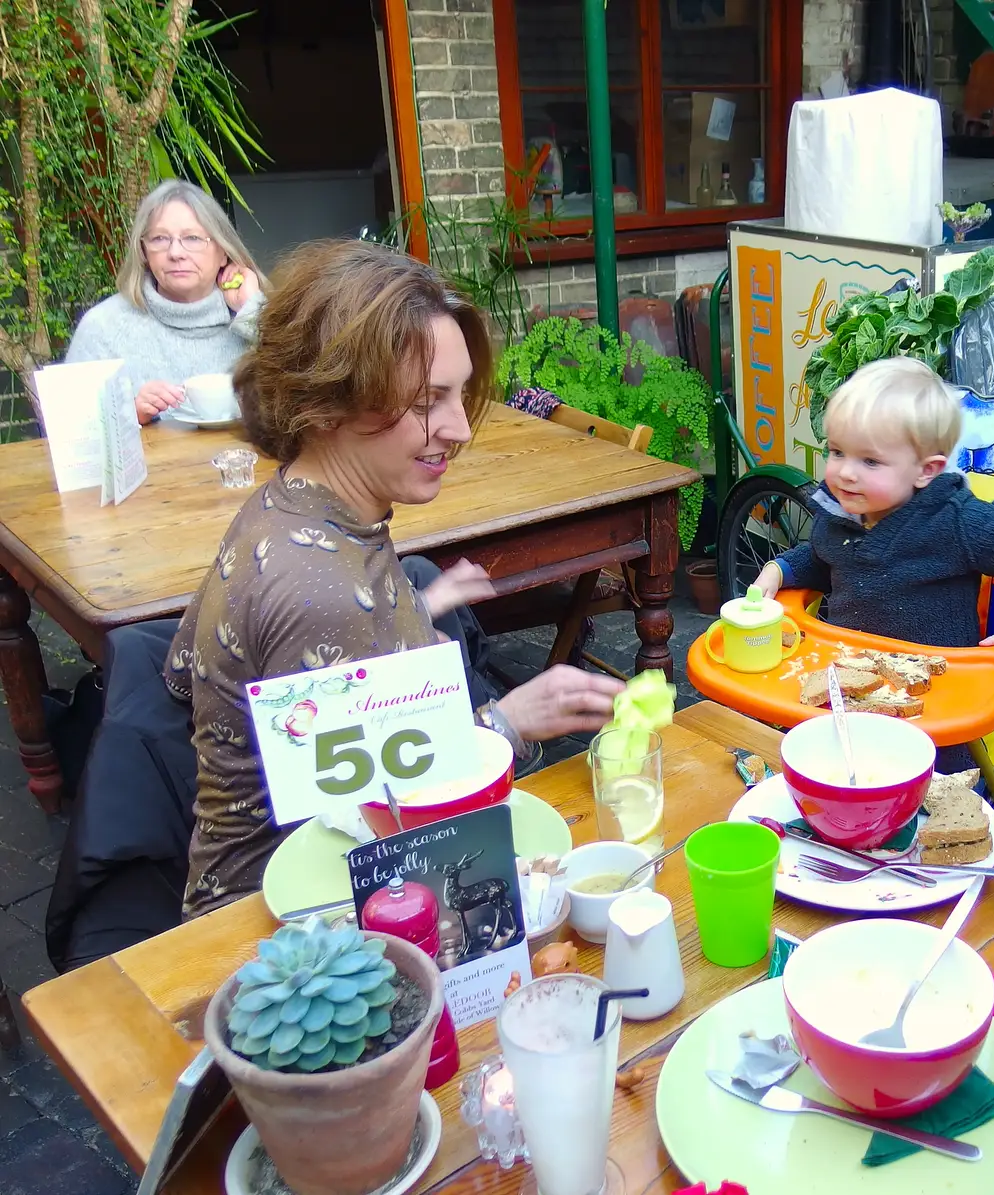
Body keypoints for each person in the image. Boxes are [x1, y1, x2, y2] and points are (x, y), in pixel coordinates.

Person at [164, 239, 622, 918]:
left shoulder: (288, 508)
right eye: (427, 401)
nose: (460, 427)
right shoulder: (320, 589)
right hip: (282, 929)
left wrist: (409, 606)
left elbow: (183, 676)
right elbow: (380, 837)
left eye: (459, 395)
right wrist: (509, 721)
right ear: (327, 403)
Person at [753, 357, 994, 676]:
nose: (846, 472)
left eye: (870, 461)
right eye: (837, 452)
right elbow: (825, 557)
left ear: (925, 470)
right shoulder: (840, 510)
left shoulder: (955, 519)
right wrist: (779, 570)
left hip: (939, 686)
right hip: (850, 671)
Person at [65, 179, 266, 425]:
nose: (176, 253)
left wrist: (252, 309)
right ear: (143, 251)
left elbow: (305, 397)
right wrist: (129, 415)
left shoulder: (253, 314)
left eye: (192, 238)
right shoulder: (103, 327)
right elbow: (73, 432)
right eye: (160, 239)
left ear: (223, 251)